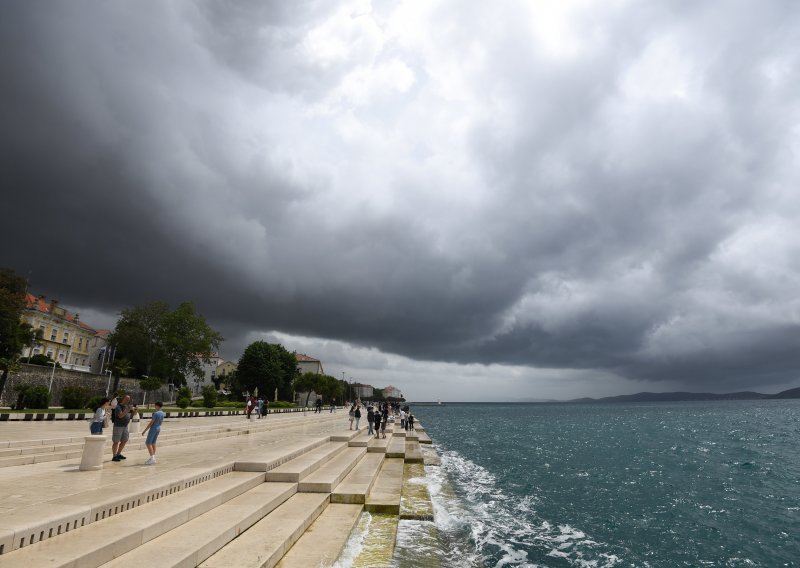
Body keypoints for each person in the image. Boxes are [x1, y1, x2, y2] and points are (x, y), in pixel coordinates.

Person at [111, 394, 132, 461]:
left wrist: (134, 410)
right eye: (126, 399)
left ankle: (118, 454)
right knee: (116, 441)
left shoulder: (126, 406)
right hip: (118, 426)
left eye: (128, 399)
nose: (127, 400)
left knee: (124, 440)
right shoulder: (118, 407)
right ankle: (114, 456)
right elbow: (120, 415)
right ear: (123, 399)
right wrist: (128, 409)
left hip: (125, 426)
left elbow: (130, 414)